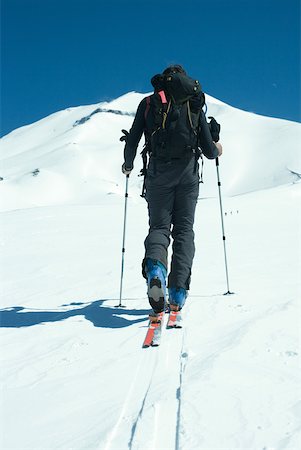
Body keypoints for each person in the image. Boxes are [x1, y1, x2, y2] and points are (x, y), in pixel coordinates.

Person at [121, 65, 222, 319]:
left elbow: (133, 138)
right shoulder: (193, 102)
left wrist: (128, 164)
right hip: (187, 175)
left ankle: (156, 270)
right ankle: (177, 292)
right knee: (184, 231)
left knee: (159, 228)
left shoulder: (149, 103)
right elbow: (210, 151)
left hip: (158, 175)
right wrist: (218, 145)